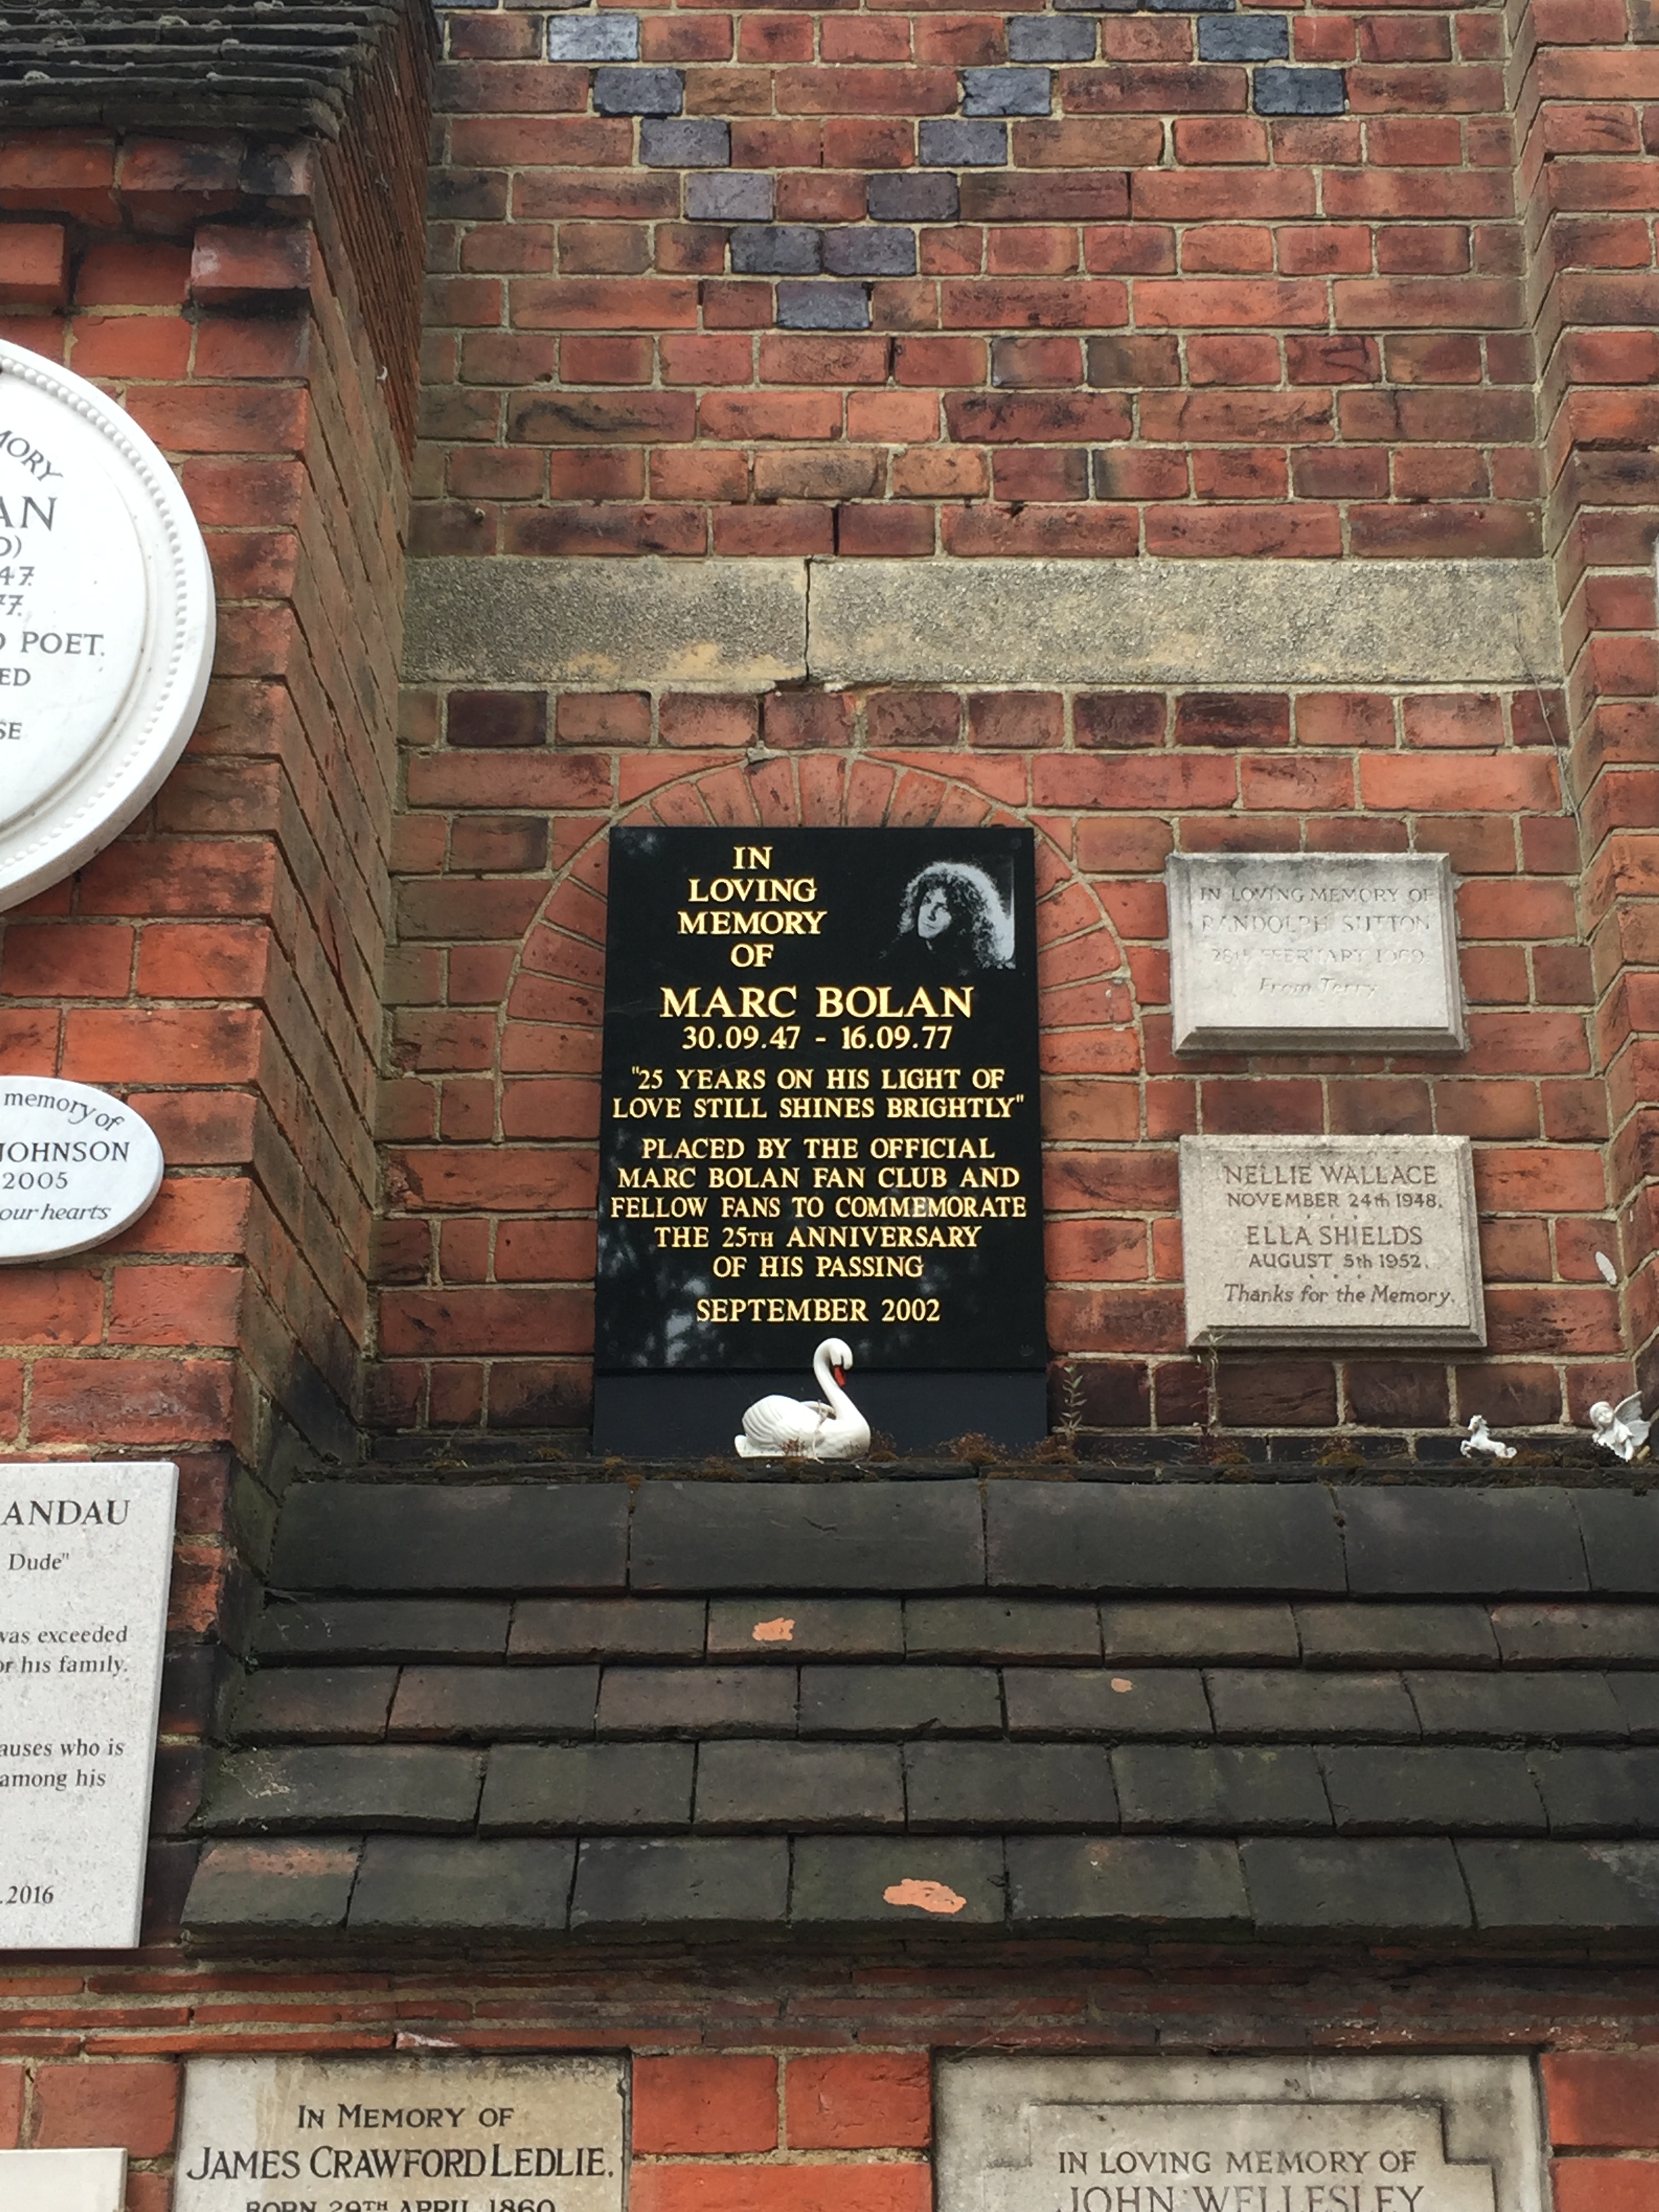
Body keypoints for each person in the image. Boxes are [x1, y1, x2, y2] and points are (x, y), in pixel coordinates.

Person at [893, 861, 1016, 977]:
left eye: (944, 908)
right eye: (927, 901)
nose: (930, 914)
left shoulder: (979, 970)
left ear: (965, 918)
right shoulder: (899, 959)